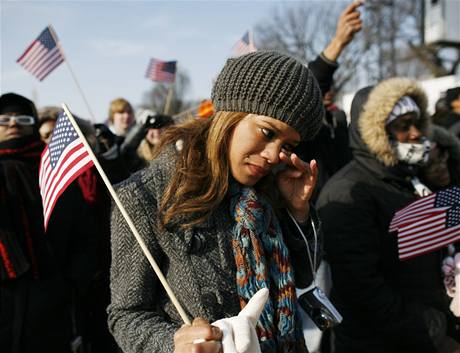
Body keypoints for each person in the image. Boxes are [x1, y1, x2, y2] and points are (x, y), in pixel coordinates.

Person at [108, 51, 326, 353]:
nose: (274, 155)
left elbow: (302, 276)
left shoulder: (271, 189)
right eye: (267, 132)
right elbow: (125, 315)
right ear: (230, 115)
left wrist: (299, 212)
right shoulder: (146, 195)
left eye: (287, 145)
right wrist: (173, 343)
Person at [317, 78, 460, 353]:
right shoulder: (347, 192)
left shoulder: (406, 178)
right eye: (403, 126)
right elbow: (363, 292)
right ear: (375, 131)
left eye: (417, 123)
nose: (416, 133)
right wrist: (434, 333)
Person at [0, 93, 75, 353]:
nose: (12, 124)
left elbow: (81, 231)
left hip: (52, 295)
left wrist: (69, 285)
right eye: (4, 119)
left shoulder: (53, 168)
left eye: (22, 118)